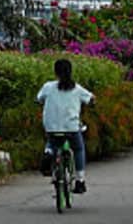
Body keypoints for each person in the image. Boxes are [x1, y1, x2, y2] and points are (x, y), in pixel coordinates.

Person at [37, 58, 94, 194]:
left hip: (51, 128)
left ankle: (48, 153)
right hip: (72, 128)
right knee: (79, 149)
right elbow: (91, 99)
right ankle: (80, 181)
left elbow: (39, 99)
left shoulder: (48, 87)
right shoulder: (77, 89)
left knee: (52, 142)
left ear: (55, 72)